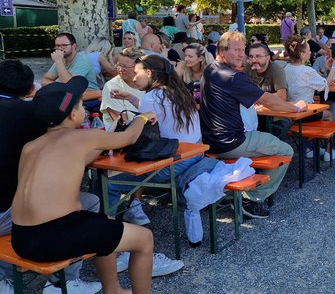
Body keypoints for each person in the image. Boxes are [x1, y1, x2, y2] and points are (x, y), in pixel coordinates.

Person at [13, 76, 156, 294]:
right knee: (145, 239)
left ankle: (113, 289)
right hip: (53, 236)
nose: (84, 109)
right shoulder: (83, 137)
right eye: (81, 104)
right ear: (72, 114)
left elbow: (77, 157)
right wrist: (143, 117)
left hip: (22, 237)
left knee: (104, 221)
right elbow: (129, 137)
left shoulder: (31, 147)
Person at [0, 61, 102, 294]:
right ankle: (62, 281)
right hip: (6, 213)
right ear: (30, 90)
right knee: (88, 202)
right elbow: (70, 153)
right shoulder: (31, 115)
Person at [200, 31, 307, 219]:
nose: (241, 55)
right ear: (222, 51)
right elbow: (269, 101)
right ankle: (252, 199)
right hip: (233, 142)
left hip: (210, 141)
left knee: (266, 140)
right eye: (236, 50)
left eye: (243, 50)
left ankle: (240, 186)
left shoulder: (210, 70)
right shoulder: (233, 76)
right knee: (286, 150)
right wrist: (295, 108)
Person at [107, 54, 202, 232]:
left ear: (149, 73)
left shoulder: (151, 97)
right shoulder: (178, 91)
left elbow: (134, 135)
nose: (134, 78)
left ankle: (108, 231)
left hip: (174, 163)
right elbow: (155, 113)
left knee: (109, 183)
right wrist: (130, 98)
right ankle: (133, 207)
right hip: (196, 154)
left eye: (136, 73)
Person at [283, 35, 335, 160]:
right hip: (305, 112)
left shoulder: (286, 68)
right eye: (308, 50)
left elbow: (312, 79)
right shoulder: (306, 71)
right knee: (328, 114)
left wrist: (324, 69)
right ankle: (328, 151)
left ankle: (308, 147)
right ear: (302, 54)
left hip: (289, 111)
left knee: (320, 113)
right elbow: (325, 84)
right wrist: (334, 67)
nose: (310, 52)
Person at [40, 32, 101, 112]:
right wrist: (58, 85)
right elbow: (43, 80)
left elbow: (69, 85)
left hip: (88, 97)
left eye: (64, 45)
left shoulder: (82, 60)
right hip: (70, 96)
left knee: (55, 109)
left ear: (74, 46)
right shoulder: (61, 60)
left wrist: (58, 61)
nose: (60, 48)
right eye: (58, 46)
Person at [245, 43, 291, 137]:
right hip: (256, 114)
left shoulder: (276, 70)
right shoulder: (248, 69)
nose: (254, 60)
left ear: (267, 58)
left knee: (272, 135)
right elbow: (239, 91)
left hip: (278, 115)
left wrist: (257, 98)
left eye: (258, 56)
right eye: (251, 56)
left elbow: (282, 96)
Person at [101, 47, 146, 130]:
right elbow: (123, 122)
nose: (120, 69)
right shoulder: (111, 86)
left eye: (125, 66)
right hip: (123, 134)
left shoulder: (148, 84)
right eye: (118, 65)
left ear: (139, 67)